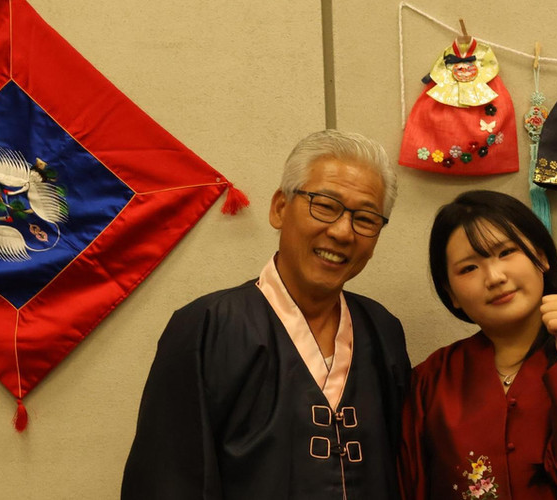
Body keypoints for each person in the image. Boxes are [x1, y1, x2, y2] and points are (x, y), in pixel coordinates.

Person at [122, 130, 411, 499]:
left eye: (366, 218)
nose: (342, 232)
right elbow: (168, 477)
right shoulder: (207, 326)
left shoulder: (382, 331)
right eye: (325, 205)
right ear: (279, 208)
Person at [398, 190, 557, 499]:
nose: (494, 277)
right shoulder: (432, 379)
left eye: (505, 252)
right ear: (451, 292)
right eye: (469, 268)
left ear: (541, 256)